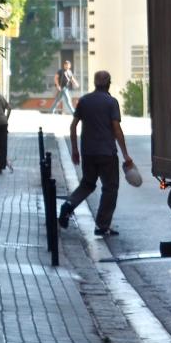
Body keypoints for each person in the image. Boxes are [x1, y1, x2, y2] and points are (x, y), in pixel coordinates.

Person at [58, 70, 138, 237]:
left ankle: (69, 205)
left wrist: (75, 150)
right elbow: (116, 129)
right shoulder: (111, 102)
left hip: (88, 152)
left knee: (87, 184)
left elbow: (73, 126)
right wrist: (125, 154)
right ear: (108, 83)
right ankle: (102, 225)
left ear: (95, 83)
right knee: (110, 188)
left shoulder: (84, 101)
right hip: (107, 153)